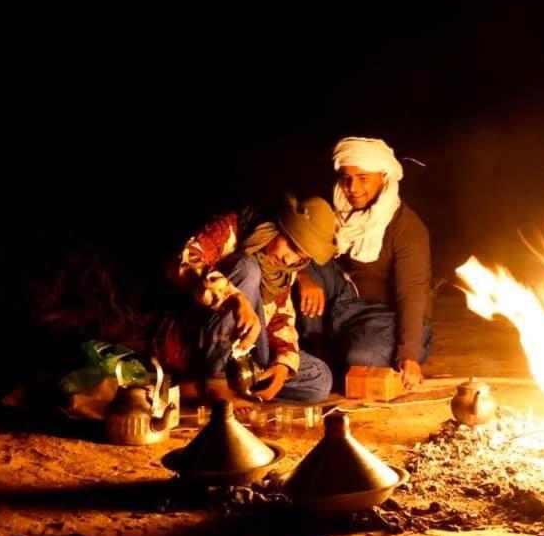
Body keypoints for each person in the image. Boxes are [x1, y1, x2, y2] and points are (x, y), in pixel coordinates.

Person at [156, 196, 337, 403]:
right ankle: (216, 380)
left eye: (302, 258)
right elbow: (182, 262)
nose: (290, 260)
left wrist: (282, 366)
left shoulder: (286, 269)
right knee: (248, 268)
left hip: (245, 353)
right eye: (292, 247)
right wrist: (233, 298)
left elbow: (281, 318)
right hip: (198, 341)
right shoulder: (232, 228)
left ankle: (203, 389)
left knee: (319, 378)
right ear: (279, 228)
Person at [296, 137, 432, 389]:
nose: (352, 188)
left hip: (385, 317)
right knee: (308, 257)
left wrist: (410, 356)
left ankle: (332, 357)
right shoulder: (336, 209)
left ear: (384, 176)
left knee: (361, 356)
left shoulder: (407, 229)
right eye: (346, 178)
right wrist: (304, 277)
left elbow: (411, 293)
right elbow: (297, 242)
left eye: (363, 178)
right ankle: (314, 350)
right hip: (344, 303)